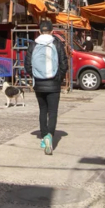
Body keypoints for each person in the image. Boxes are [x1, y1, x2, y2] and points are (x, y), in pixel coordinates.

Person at [25, 19, 69, 155]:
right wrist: (58, 78)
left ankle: (44, 137)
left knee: (42, 110)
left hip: (39, 83)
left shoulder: (33, 44)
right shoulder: (57, 43)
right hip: (53, 83)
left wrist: (36, 76)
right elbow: (64, 64)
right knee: (53, 111)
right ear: (51, 31)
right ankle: (50, 136)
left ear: (39, 31)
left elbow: (27, 65)